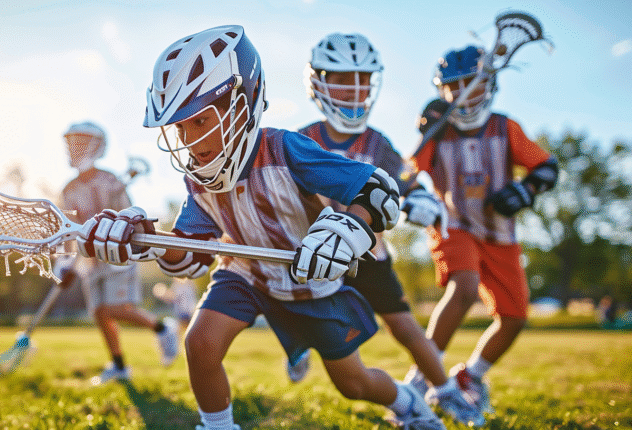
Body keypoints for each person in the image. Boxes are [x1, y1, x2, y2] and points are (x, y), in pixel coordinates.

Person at [77, 25, 445, 430]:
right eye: (180, 126)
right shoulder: (198, 178)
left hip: (311, 283)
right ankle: (217, 426)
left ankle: (408, 402)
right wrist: (145, 238)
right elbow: (192, 253)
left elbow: (376, 191)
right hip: (246, 274)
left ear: (240, 104)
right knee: (200, 343)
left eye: (199, 121)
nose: (188, 139)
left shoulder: (286, 149)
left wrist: (351, 225)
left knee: (354, 384)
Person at [285, 32, 482, 427]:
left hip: (368, 254)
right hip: (318, 257)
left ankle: (445, 391)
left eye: (362, 78)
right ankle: (297, 346)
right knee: (286, 306)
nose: (354, 89)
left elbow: (405, 181)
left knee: (406, 328)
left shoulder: (376, 143)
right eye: (342, 78)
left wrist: (420, 197)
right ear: (318, 82)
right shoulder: (302, 140)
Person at [406, 46, 558, 414]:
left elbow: (547, 168)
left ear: (488, 85)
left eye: (471, 85)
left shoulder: (505, 126)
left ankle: (471, 375)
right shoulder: (438, 129)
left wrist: (525, 190)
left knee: (515, 317)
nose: (464, 94)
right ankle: (418, 381)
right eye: (454, 87)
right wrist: (423, 135)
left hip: (499, 233)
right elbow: (407, 174)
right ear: (441, 91)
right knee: (465, 287)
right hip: (453, 223)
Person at [57, 121, 179, 383]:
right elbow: (68, 229)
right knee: (100, 313)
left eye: (81, 141)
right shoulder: (69, 189)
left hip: (117, 256)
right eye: (71, 142)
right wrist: (66, 264)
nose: (74, 148)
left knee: (115, 308)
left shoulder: (110, 181)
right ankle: (120, 366)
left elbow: (130, 220)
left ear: (96, 146)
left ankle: (163, 328)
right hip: (90, 261)